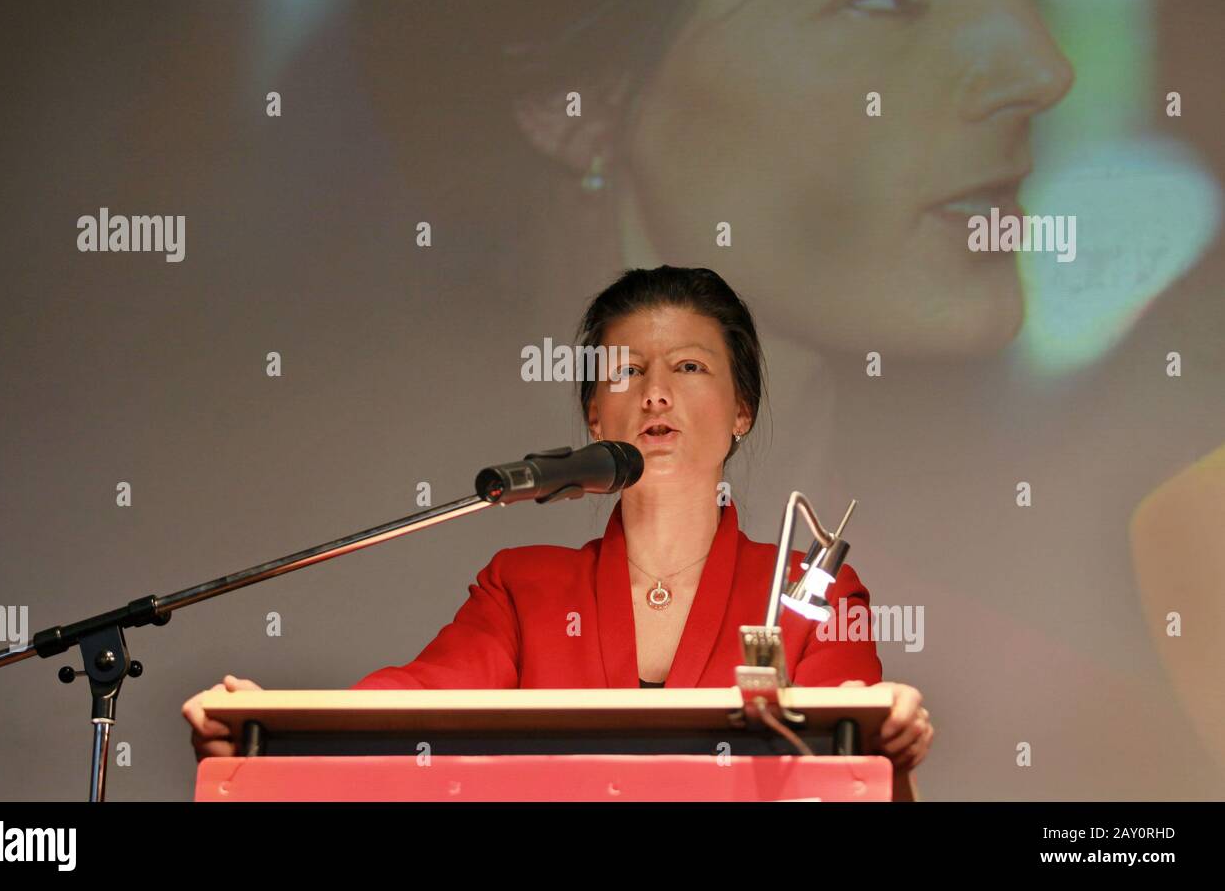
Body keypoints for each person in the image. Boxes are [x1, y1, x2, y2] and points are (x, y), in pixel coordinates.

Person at [183, 266, 935, 792]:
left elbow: (854, 770)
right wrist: (272, 734)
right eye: (627, 372)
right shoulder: (526, 585)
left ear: (742, 411)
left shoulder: (811, 588)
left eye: (690, 368)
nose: (656, 394)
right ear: (592, 415)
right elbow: (413, 702)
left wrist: (893, 746)